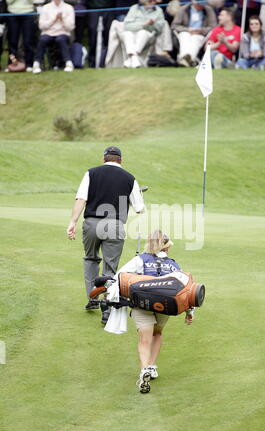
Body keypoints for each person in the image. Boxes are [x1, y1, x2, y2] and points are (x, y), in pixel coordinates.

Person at [66, 146, 144, 323]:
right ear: (121, 161)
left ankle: (92, 298)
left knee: (91, 258)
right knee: (110, 268)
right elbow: (139, 209)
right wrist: (138, 195)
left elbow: (81, 199)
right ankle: (107, 308)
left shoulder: (91, 173)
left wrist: (73, 222)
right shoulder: (129, 178)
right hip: (115, 225)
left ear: (104, 159)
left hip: (92, 223)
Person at [116, 229, 195, 393]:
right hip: (164, 306)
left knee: (144, 339)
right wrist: (189, 312)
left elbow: (119, 276)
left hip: (142, 305)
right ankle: (151, 366)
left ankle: (144, 369)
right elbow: (184, 290)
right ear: (166, 247)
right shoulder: (173, 265)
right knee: (157, 333)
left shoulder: (140, 259)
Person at [32, 0, 75, 73]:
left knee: (61, 39)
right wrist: (54, 20)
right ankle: (36, 63)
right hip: (48, 33)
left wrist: (62, 19)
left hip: (63, 32)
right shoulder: (46, 8)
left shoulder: (69, 8)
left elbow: (70, 27)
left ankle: (68, 63)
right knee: (43, 39)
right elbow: (41, 26)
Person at [171, 0, 217, 67]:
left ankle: (184, 59)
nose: (201, 6)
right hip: (185, 32)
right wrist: (187, 30)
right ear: (194, 3)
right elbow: (174, 25)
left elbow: (213, 26)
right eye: (199, 4)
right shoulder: (184, 9)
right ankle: (188, 59)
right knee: (185, 36)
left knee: (195, 38)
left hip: (200, 34)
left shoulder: (208, 10)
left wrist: (201, 30)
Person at [122, 0, 165, 68]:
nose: (153, 3)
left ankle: (131, 59)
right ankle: (134, 58)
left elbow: (159, 29)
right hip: (133, 33)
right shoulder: (134, 8)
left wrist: (153, 24)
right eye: (150, 1)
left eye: (154, 1)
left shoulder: (159, 10)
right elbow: (127, 26)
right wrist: (144, 24)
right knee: (127, 34)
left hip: (148, 36)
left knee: (143, 32)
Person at [6, 0, 35, 72]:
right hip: (12, 13)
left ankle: (29, 64)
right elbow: (8, 1)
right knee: (13, 41)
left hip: (28, 12)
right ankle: (12, 64)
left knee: (28, 41)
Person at [86, 0, 115, 68]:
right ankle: (92, 63)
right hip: (93, 9)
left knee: (108, 37)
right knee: (92, 37)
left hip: (109, 8)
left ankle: (106, 62)